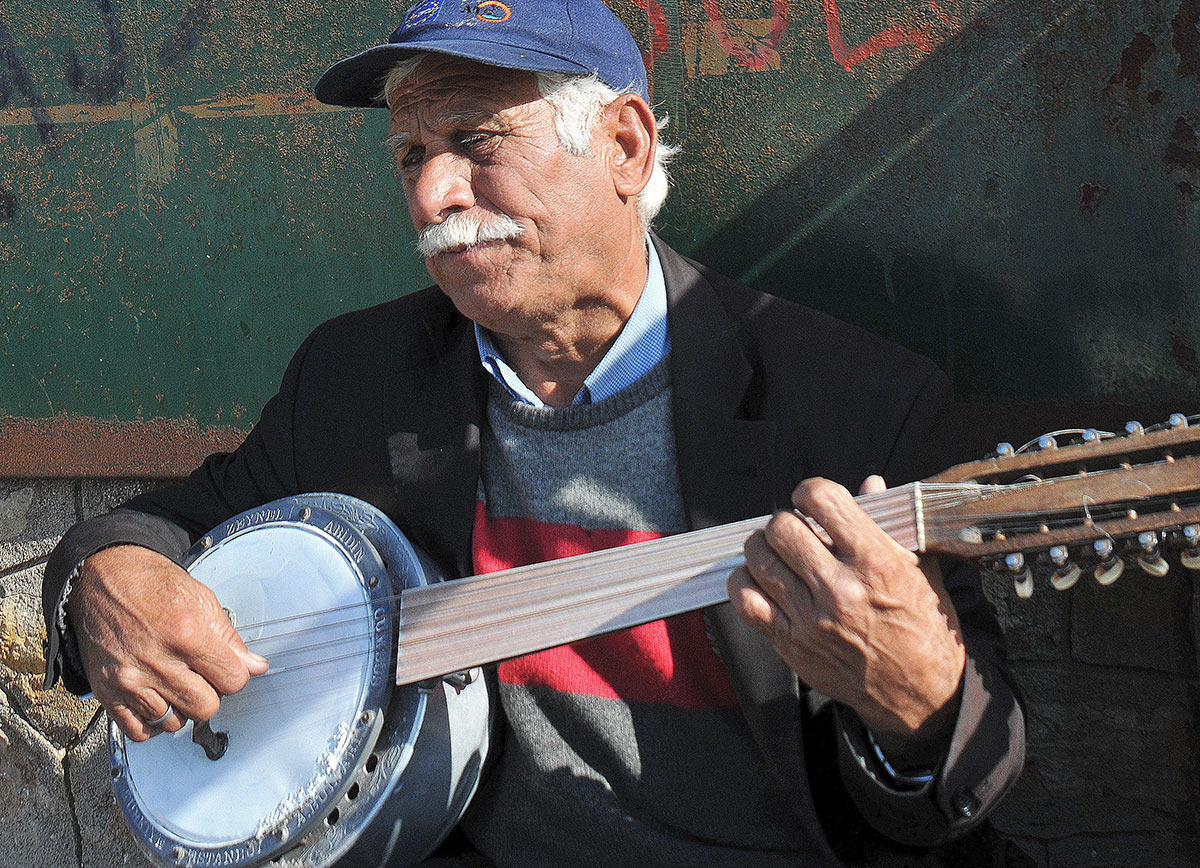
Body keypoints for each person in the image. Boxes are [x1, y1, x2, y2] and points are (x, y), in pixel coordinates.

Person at [41, 1, 1025, 865]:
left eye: (477, 140)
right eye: (412, 154)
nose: (433, 195)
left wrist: (921, 708)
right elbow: (162, 531)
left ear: (625, 150)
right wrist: (104, 582)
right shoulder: (357, 380)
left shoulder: (856, 405)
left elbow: (951, 797)